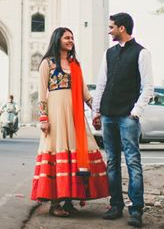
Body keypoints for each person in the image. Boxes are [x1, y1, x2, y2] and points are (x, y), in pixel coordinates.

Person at [31, 27, 109, 217]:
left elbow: (84, 93)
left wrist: (96, 110)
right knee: (58, 152)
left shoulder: (75, 64)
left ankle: (69, 199)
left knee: (78, 153)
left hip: (75, 116)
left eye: (72, 38)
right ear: (57, 39)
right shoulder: (47, 63)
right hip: (57, 115)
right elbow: (42, 93)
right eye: (67, 37)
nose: (70, 40)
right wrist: (43, 118)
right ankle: (55, 203)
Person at [92, 12, 154, 227]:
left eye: (111, 27)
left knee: (133, 162)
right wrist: (96, 112)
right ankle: (115, 205)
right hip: (108, 115)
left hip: (127, 116)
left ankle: (136, 209)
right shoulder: (109, 53)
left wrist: (136, 112)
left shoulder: (141, 53)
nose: (109, 31)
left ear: (122, 28)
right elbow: (102, 84)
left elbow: (148, 87)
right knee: (112, 162)